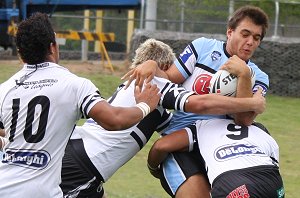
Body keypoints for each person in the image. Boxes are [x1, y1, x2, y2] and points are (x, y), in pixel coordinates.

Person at [60, 38, 266, 198]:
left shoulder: (146, 98)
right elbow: (201, 103)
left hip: (81, 157)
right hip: (84, 165)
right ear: (165, 66)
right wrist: (251, 104)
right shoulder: (155, 84)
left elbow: (173, 127)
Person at [0, 13, 161, 197]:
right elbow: (113, 120)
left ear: (20, 53)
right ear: (53, 47)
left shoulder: (5, 89)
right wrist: (145, 106)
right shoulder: (74, 85)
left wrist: (11, 145)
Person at [122, 5, 270, 197]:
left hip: (222, 150)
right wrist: (151, 64)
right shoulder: (203, 48)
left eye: (256, 38)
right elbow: (169, 78)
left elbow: (243, 121)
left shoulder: (259, 77)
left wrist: (243, 74)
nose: (250, 42)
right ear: (230, 32)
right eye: (245, 34)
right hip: (180, 145)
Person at [147, 119, 285, 198]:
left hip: (233, 183)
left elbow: (161, 146)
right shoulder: (260, 129)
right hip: (271, 182)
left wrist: (153, 169)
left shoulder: (203, 126)